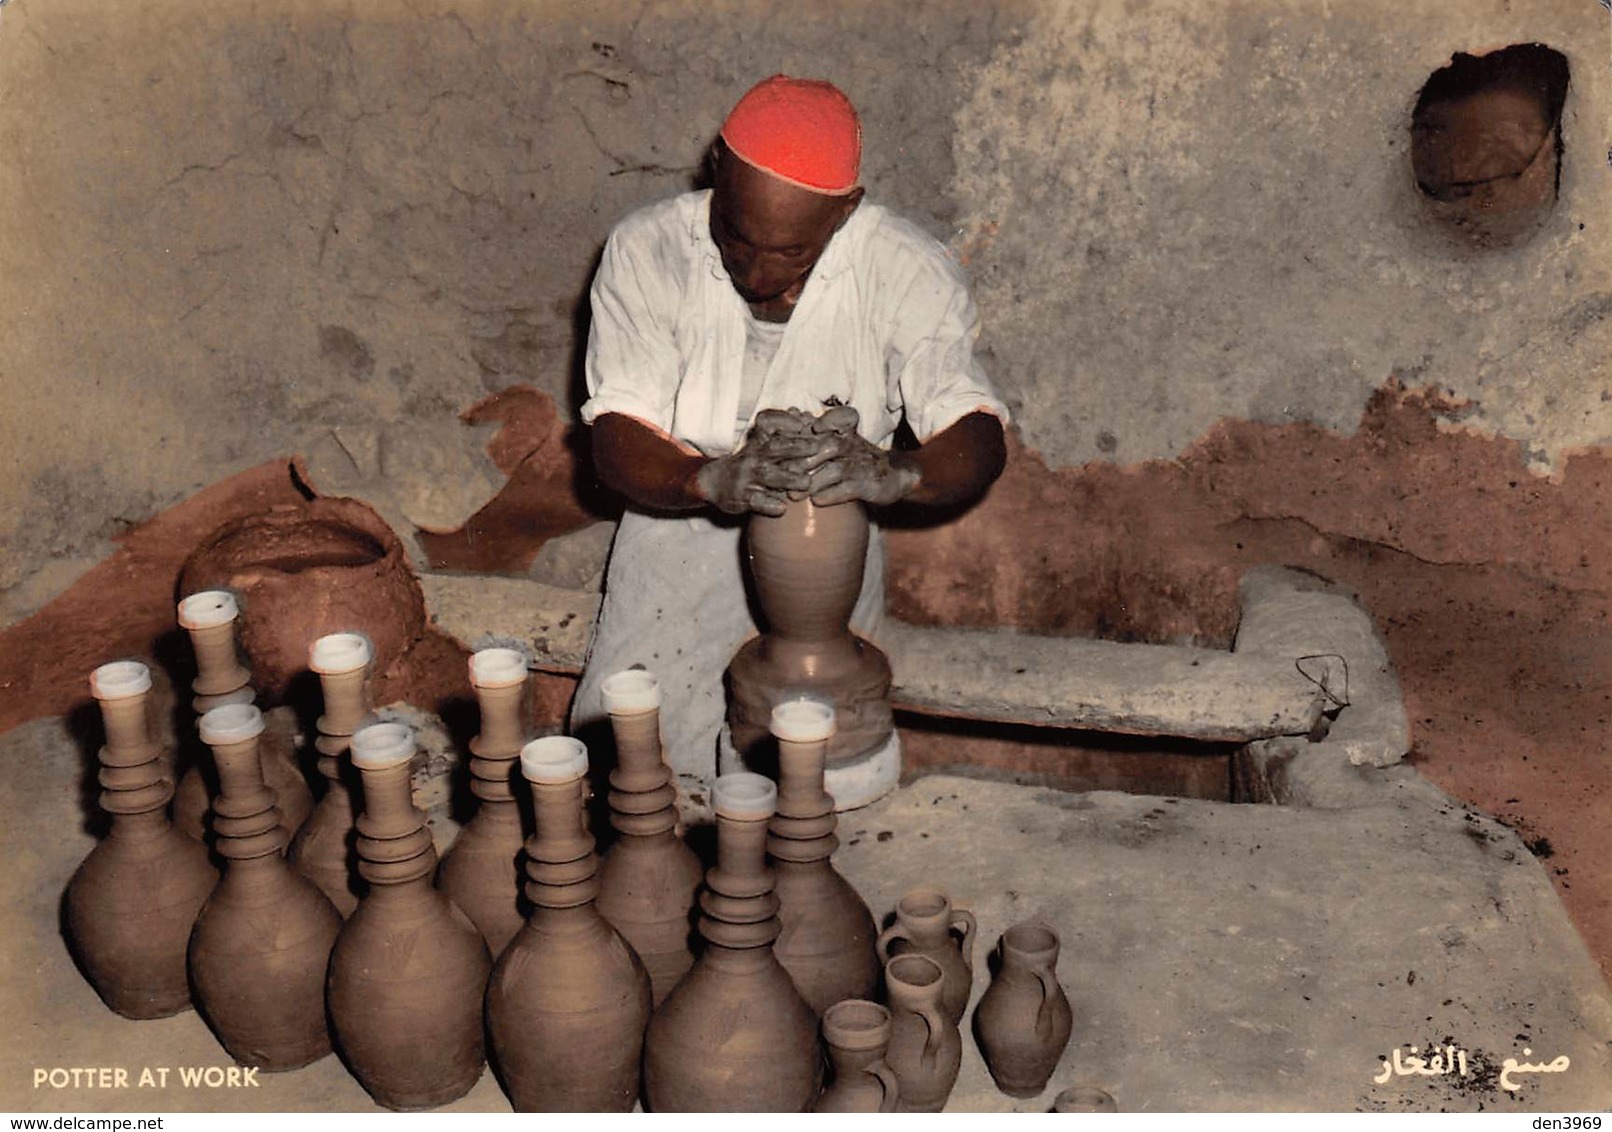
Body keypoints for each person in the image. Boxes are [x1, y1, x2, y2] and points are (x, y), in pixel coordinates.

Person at [570, 74, 1009, 816]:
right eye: (737, 238)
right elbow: (615, 436)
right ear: (715, 173)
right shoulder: (649, 249)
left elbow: (976, 433)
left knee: (812, 800)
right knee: (639, 785)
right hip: (677, 527)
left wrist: (898, 471)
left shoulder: (902, 268)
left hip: (828, 561)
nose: (758, 271)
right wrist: (709, 479)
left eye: (791, 252)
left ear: (846, 212)